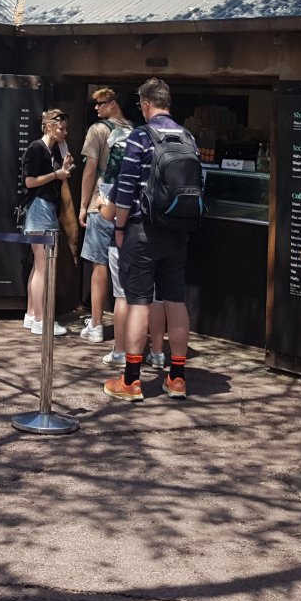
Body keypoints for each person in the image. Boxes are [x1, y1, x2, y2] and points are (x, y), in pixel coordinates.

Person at [102, 78, 198, 401]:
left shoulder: (141, 137)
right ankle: (178, 378)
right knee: (175, 301)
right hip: (178, 233)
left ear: (145, 104)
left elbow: (126, 188)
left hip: (143, 231)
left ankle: (131, 380)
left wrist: (119, 228)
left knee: (138, 302)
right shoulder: (188, 137)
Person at [79, 87, 167, 368]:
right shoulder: (137, 131)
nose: (96, 109)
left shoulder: (97, 130)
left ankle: (96, 324)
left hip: (104, 204)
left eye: (100, 104)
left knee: (101, 268)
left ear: (113, 103)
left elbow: (91, 169)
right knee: (146, 290)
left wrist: (84, 204)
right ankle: (153, 348)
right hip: (138, 213)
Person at [19, 108, 73, 336]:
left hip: (45, 208)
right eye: (61, 128)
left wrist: (63, 169)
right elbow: (30, 182)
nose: (64, 133)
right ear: (49, 126)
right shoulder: (36, 148)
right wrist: (56, 175)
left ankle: (32, 315)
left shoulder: (50, 151)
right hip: (39, 208)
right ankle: (41, 319)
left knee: (38, 266)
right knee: (43, 267)